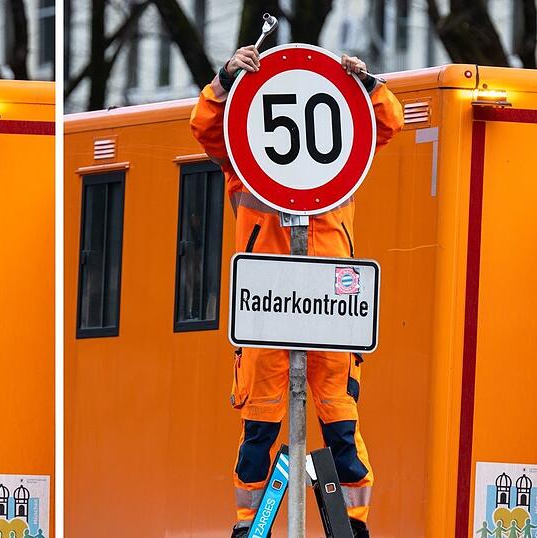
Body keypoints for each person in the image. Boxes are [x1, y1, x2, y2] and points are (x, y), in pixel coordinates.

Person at [189, 45, 404, 538]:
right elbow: (204, 126)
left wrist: (367, 84)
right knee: (260, 435)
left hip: (323, 308)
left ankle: (351, 526)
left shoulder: (347, 149)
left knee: (340, 431)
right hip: (282, 311)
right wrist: (224, 81)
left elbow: (387, 124)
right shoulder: (243, 156)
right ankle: (250, 528)